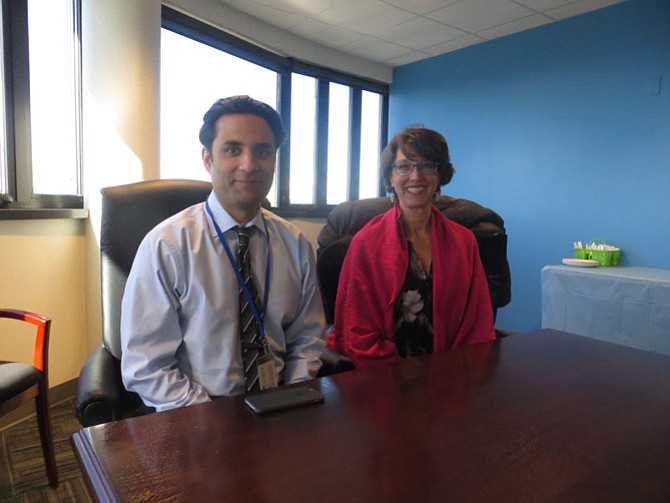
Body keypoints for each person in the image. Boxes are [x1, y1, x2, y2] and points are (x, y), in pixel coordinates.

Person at [120, 95, 326, 412]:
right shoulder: (167, 245)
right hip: (196, 409)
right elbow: (146, 365)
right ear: (208, 158)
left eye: (262, 151)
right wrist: (208, 414)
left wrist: (294, 396)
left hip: (280, 401)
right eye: (232, 149)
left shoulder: (295, 243)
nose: (249, 164)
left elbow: (308, 337)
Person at [327, 127, 495, 369]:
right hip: (385, 377)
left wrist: (457, 375)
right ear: (391, 177)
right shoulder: (366, 244)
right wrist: (408, 380)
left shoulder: (464, 241)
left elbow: (478, 325)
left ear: (439, 174)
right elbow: (358, 334)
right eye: (404, 166)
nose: (416, 176)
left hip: (452, 376)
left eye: (426, 165)